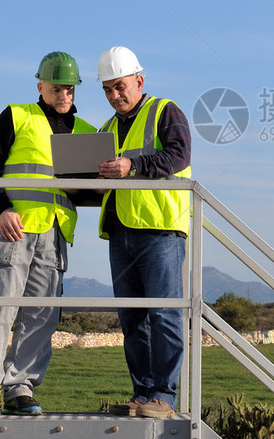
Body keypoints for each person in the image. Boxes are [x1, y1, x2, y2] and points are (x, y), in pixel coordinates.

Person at [0, 51, 96, 416]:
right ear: (40, 85)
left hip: (54, 236)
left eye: (70, 90)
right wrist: (1, 208)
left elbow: (93, 189)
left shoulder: (87, 131)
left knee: (42, 314)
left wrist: (80, 190)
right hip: (12, 229)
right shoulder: (17, 115)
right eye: (57, 89)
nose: (64, 96)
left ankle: (20, 386)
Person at [95, 46, 192, 419]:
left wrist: (131, 166)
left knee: (164, 314)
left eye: (120, 86)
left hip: (160, 230)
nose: (114, 95)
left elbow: (179, 155)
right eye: (107, 89)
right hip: (120, 231)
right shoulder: (106, 128)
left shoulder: (165, 111)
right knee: (132, 319)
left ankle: (164, 398)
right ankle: (142, 395)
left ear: (139, 80)